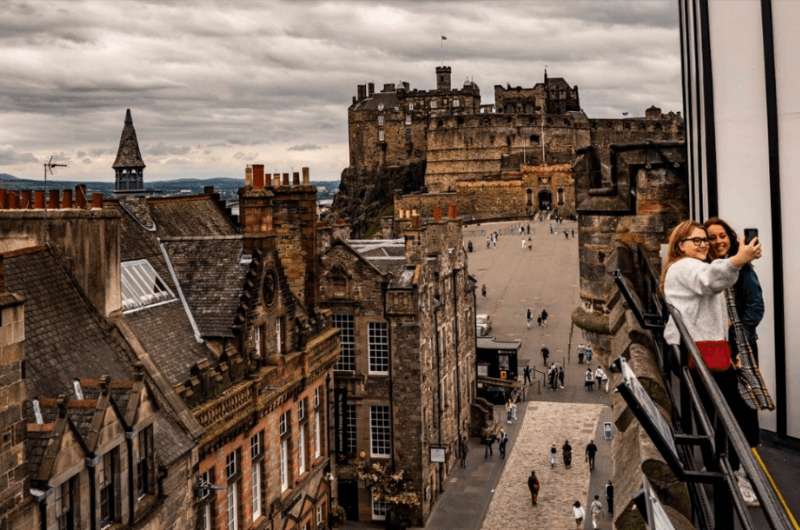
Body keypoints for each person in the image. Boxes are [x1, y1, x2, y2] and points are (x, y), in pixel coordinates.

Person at [662, 220, 761, 504]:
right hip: (703, 356)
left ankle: (723, 469)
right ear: (681, 245)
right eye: (698, 240)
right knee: (729, 415)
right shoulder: (686, 267)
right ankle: (732, 475)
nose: (704, 244)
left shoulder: (683, 267)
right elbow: (710, 279)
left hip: (705, 353)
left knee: (718, 415)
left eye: (705, 240)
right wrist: (739, 259)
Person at [704, 217, 766, 506]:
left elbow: (755, 306)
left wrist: (739, 337)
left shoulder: (742, 268)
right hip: (713, 350)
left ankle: (741, 473)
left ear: (730, 237)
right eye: (711, 237)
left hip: (738, 349)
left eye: (722, 236)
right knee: (716, 406)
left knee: (743, 408)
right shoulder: (707, 270)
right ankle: (720, 465)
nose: (718, 242)